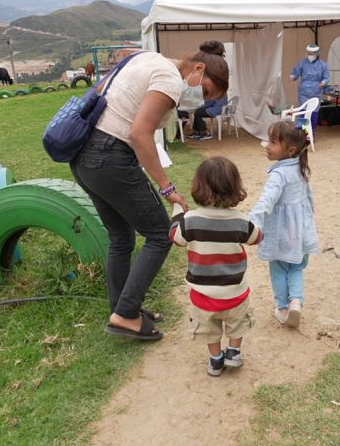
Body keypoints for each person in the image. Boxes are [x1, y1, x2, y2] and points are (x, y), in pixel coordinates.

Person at [71, 40, 230, 341]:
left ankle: (121, 308)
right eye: (207, 91)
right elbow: (139, 133)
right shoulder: (171, 79)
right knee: (160, 233)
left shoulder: (146, 59)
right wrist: (167, 188)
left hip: (83, 156)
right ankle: (126, 314)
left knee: (121, 237)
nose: (203, 97)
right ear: (199, 68)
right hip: (109, 155)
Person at [169, 157, 262, 376]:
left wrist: (177, 212)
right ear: (234, 188)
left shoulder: (189, 221)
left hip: (203, 295)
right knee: (237, 324)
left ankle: (215, 360)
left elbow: (175, 238)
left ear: (198, 186)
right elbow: (256, 238)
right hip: (235, 292)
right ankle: (234, 352)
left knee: (209, 330)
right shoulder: (240, 220)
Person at [249, 120, 319, 329]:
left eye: (272, 142)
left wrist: (254, 221)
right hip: (300, 230)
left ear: (290, 150)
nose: (266, 146)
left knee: (279, 268)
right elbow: (309, 199)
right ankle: (296, 301)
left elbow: (266, 201)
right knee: (296, 267)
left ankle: (282, 308)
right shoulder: (301, 168)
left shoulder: (279, 174)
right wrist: (308, 222)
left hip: (280, 232)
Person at [289, 43, 329, 127]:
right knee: (303, 112)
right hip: (304, 92)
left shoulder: (323, 65)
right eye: (309, 53)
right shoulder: (302, 63)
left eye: (312, 53)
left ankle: (311, 133)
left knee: (313, 113)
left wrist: (323, 82)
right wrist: (292, 76)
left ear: (317, 53)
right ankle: (303, 132)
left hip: (316, 91)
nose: (310, 55)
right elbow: (296, 72)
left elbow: (326, 77)